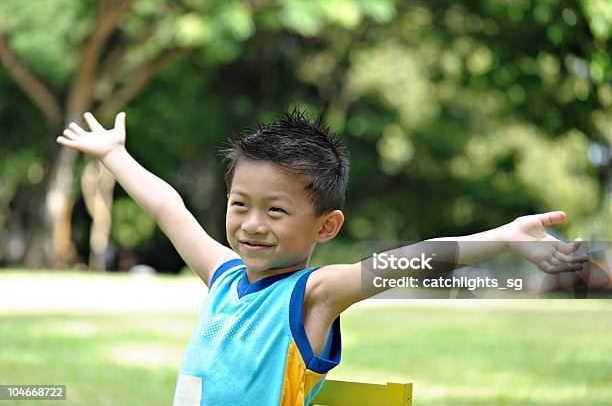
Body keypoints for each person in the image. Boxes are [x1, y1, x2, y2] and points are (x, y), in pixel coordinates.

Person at [57, 109, 589, 405]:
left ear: (326, 226)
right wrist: (115, 156)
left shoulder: (312, 295)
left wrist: (503, 235)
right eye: (240, 205)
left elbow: (411, 261)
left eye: (276, 211)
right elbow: (168, 206)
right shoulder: (222, 277)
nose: (252, 224)